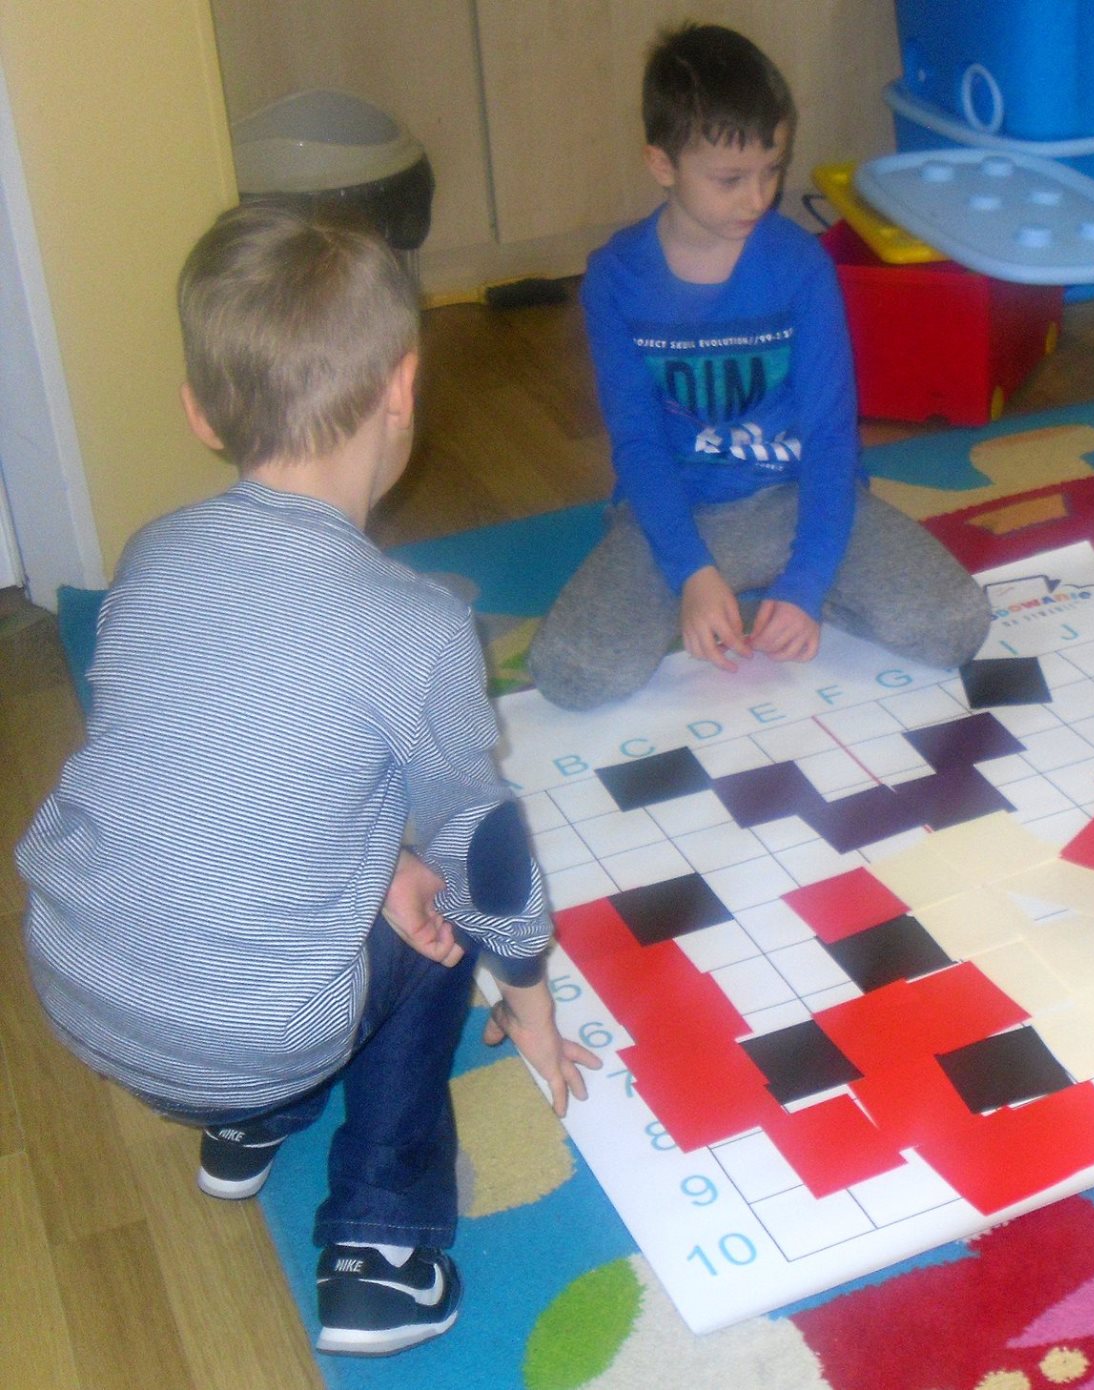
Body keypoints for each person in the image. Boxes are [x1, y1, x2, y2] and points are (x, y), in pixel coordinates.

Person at [15, 204, 597, 1358]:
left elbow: (218, 770)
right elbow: (485, 849)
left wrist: (377, 861)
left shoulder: (152, 556)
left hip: (77, 981)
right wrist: (527, 993)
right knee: (442, 925)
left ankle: (250, 1121)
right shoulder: (416, 627)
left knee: (352, 864)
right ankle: (381, 1240)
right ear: (403, 387)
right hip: (249, 1027)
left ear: (199, 411)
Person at [528, 22, 990, 710]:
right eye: (730, 179)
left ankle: (792, 590)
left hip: (798, 496)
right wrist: (690, 572)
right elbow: (638, 444)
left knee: (955, 625)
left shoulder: (801, 267)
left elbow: (830, 436)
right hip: (680, 509)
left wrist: (806, 584)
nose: (758, 198)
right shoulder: (616, 281)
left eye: (772, 170)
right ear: (662, 165)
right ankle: (716, 592)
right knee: (572, 676)